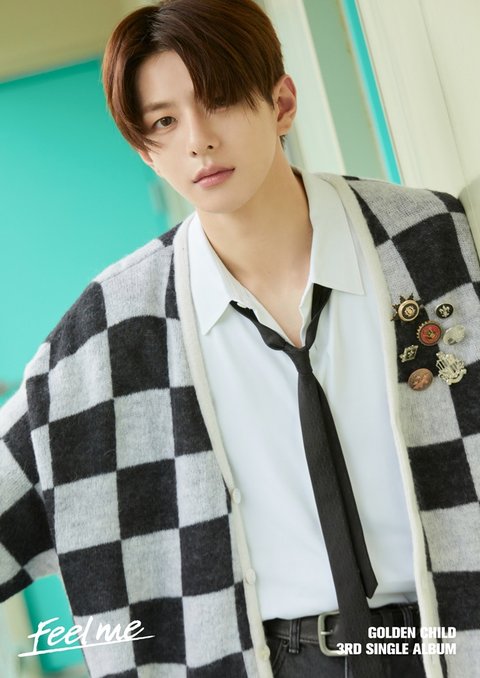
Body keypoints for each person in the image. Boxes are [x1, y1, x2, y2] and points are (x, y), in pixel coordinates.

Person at [1, 1, 479, 677]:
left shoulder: (434, 240)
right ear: (145, 149)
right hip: (272, 659)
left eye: (218, 101)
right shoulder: (111, 330)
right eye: (164, 122)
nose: (198, 141)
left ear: (281, 103)